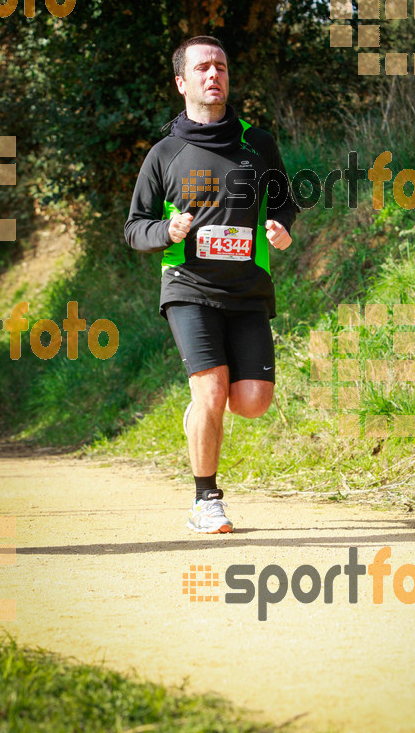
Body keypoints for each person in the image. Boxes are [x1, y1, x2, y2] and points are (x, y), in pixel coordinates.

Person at [124, 35, 299, 534]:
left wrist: (281, 226)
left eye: (220, 66)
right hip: (188, 287)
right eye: (202, 68)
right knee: (212, 389)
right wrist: (166, 230)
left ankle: (199, 412)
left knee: (252, 400)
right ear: (182, 82)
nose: (213, 75)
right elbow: (135, 226)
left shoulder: (257, 143)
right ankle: (207, 500)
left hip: (247, 288)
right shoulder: (165, 154)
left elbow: (284, 200)